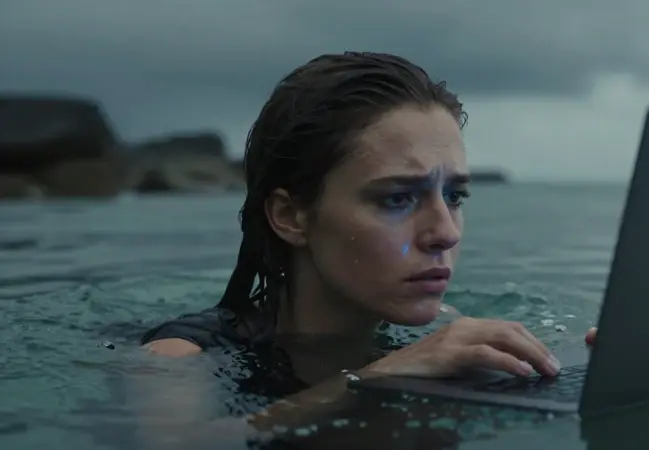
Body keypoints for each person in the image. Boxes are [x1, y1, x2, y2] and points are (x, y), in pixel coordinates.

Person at [139, 51, 598, 432]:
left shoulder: (440, 327)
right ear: (291, 217)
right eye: (397, 198)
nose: (446, 232)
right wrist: (373, 379)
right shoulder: (183, 355)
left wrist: (597, 360)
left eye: (454, 196)